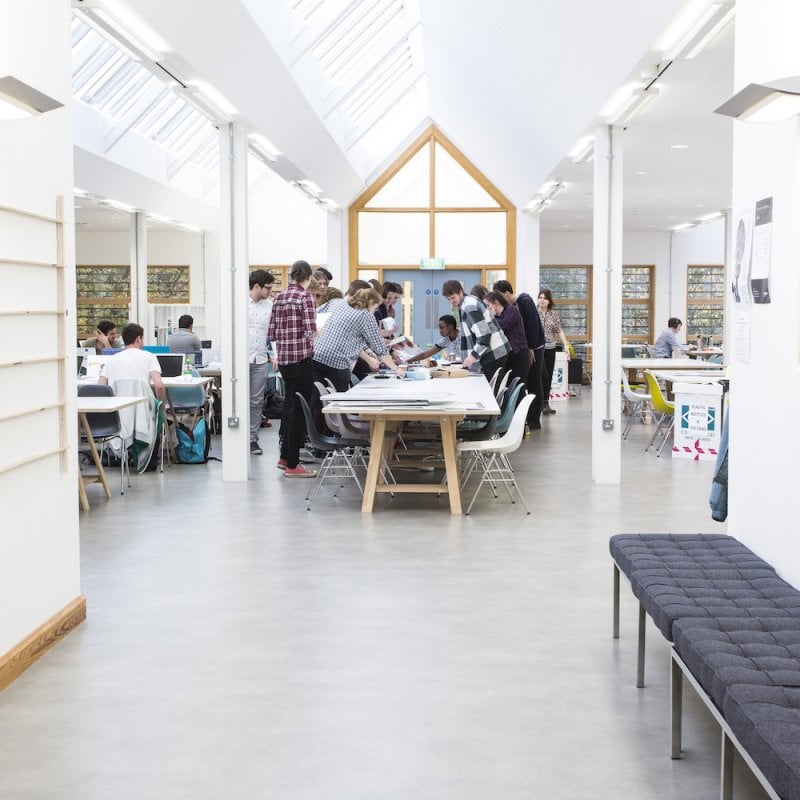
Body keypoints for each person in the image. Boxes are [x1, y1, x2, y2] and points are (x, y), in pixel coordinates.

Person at [268, 260, 317, 478]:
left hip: (285, 361)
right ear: (308, 276)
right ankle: (293, 465)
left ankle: (285, 456)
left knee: (289, 407)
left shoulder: (278, 297)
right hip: (301, 360)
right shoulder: (305, 297)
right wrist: (319, 332)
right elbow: (310, 330)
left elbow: (271, 331)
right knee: (299, 410)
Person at [312, 288, 403, 392]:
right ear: (370, 302)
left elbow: (315, 315)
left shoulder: (336, 302)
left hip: (316, 355)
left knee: (317, 398)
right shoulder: (365, 315)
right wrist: (396, 369)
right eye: (375, 307)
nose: (374, 311)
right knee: (338, 400)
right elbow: (381, 349)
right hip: (337, 362)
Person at [493, 279, 545, 430]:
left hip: (534, 347)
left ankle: (534, 419)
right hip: (527, 347)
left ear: (508, 293)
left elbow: (533, 326)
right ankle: (525, 418)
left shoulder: (524, 301)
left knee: (534, 381)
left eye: (502, 297)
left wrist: (531, 348)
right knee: (527, 382)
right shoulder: (513, 306)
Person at [442, 279, 510, 380]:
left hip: (494, 353)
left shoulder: (469, 307)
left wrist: (472, 357)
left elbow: (484, 335)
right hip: (495, 352)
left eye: (453, 298)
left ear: (460, 292)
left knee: (490, 392)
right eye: (449, 299)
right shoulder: (468, 302)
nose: (451, 302)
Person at [100, 322, 165, 401]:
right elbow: (159, 385)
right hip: (144, 410)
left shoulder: (112, 360)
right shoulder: (149, 357)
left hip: (117, 410)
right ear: (138, 339)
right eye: (143, 339)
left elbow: (101, 386)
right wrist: (162, 408)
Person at [248, 269, 275, 455]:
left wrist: (275, 354)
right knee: (239, 399)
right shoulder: (239, 304)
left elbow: (273, 334)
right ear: (257, 286)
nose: (269, 292)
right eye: (267, 288)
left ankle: (252, 439)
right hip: (241, 358)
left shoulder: (270, 306)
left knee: (257, 401)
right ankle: (237, 438)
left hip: (260, 359)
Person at [485, 291, 529, 387]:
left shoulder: (512, 310)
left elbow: (503, 325)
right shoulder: (497, 316)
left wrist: (490, 318)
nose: (487, 309)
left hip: (519, 355)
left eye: (488, 305)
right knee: (507, 387)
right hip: (508, 356)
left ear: (496, 303)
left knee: (518, 387)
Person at [537, 288, 570, 415]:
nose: (542, 300)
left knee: (549, 375)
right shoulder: (534, 312)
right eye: (540, 297)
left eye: (545, 298)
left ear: (549, 300)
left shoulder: (553, 314)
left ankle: (546, 403)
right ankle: (539, 402)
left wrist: (566, 345)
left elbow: (559, 331)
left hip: (551, 349)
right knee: (542, 375)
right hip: (539, 349)